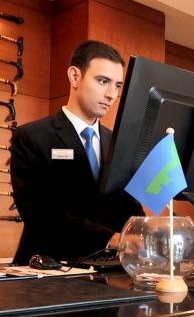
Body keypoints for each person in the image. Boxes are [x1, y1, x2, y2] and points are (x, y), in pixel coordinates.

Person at [10, 40, 144, 265]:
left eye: (118, 86)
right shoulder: (32, 136)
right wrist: (111, 239)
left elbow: (129, 206)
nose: (111, 94)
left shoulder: (119, 143)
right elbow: (39, 213)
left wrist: (149, 230)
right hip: (48, 268)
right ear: (74, 76)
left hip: (107, 270)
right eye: (103, 81)